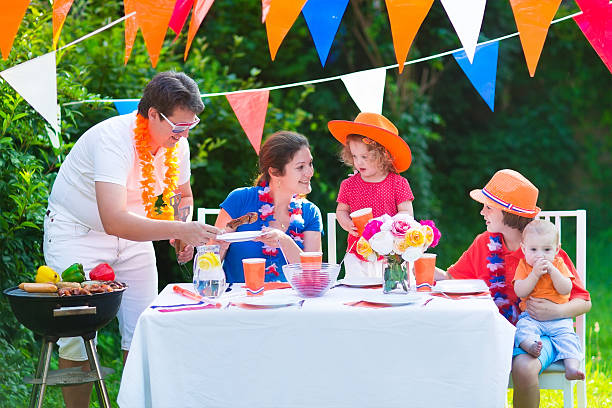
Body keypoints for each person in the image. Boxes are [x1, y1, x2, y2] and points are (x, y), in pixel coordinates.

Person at [44, 71, 220, 407]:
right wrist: (178, 230)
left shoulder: (175, 143)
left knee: (143, 330)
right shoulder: (114, 139)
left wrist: (179, 223)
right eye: (179, 126)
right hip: (76, 233)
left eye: (190, 126)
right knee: (75, 338)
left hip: (135, 232)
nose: (184, 135)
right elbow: (114, 220)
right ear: (153, 114)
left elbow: (182, 194)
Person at [434, 169, 590, 408]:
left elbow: (583, 301)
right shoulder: (483, 244)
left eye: (488, 207)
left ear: (508, 213)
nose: (481, 212)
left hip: (544, 333)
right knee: (452, 356)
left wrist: (556, 312)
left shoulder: (545, 252)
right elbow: (451, 279)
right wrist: (412, 259)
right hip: (494, 331)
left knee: (524, 367)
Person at [213, 131, 323, 282]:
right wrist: (222, 246)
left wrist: (284, 241)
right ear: (275, 172)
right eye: (300, 167)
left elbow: (313, 276)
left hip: (291, 302)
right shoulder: (240, 199)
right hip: (238, 301)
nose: (310, 172)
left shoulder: (310, 212)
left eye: (310, 164)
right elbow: (206, 266)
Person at [328, 112, 414, 279]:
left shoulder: (398, 183)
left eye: (364, 157)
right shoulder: (349, 184)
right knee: (358, 294)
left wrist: (387, 224)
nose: (358, 162)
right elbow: (341, 210)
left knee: (390, 294)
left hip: (391, 253)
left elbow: (407, 214)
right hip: (357, 251)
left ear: (383, 156)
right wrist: (346, 223)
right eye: (354, 156)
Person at [514, 219, 585, 380]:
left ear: (556, 249)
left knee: (569, 338)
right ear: (524, 249)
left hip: (559, 320)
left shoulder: (559, 264)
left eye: (546, 249)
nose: (540, 255)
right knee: (522, 329)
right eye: (533, 249)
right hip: (531, 318)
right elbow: (520, 290)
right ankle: (531, 346)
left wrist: (553, 271)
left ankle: (572, 368)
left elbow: (566, 288)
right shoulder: (524, 266)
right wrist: (534, 275)